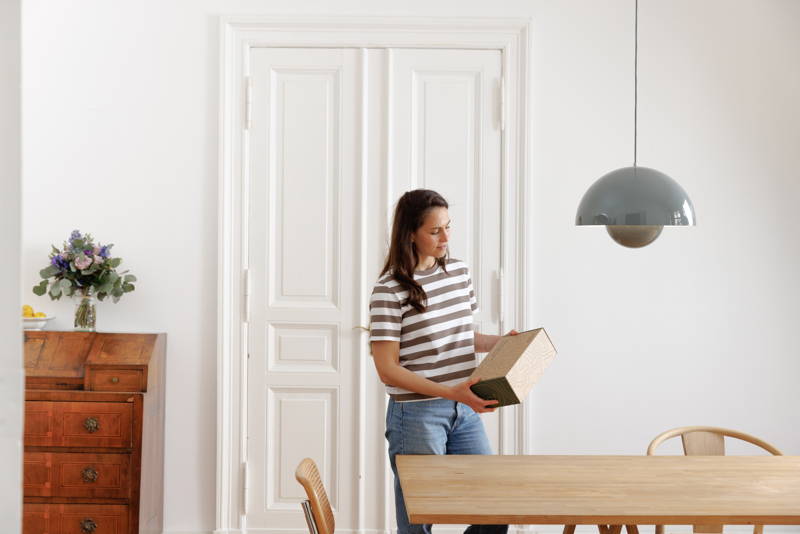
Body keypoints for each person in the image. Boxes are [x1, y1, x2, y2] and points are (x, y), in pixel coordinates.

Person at [369, 189, 516, 534]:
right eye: (435, 231)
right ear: (410, 234)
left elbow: (462, 336)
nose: (446, 238)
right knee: (419, 523)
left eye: (448, 227)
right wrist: (452, 392)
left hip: (464, 409)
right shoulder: (389, 290)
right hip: (416, 416)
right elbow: (387, 369)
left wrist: (501, 343)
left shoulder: (458, 272)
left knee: (495, 510)